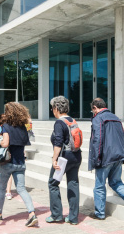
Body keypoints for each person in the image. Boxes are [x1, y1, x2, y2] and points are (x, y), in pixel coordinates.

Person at [88, 98, 124, 220]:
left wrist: (96, 159)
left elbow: (97, 139)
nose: (93, 113)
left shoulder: (98, 118)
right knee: (116, 182)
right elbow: (123, 137)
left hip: (105, 157)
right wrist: (123, 156)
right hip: (117, 156)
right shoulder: (116, 118)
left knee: (99, 186)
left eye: (93, 111)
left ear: (95, 107)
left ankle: (99, 213)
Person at [0, 102, 37, 228]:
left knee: (1, 189)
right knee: (21, 189)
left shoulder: (6, 126)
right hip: (20, 162)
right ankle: (32, 213)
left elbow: (5, 143)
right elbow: (30, 134)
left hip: (7, 163)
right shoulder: (24, 127)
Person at [45, 96, 82, 225]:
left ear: (56, 108)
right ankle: (73, 218)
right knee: (73, 184)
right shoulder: (72, 120)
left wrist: (54, 159)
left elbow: (58, 143)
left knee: (53, 183)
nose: (52, 110)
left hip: (64, 158)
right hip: (76, 156)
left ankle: (56, 215)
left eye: (52, 108)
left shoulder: (59, 123)